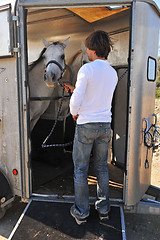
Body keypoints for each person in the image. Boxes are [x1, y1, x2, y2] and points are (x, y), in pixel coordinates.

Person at [64, 30, 118, 225]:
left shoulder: (86, 69)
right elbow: (97, 94)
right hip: (105, 125)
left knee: (80, 169)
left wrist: (74, 113)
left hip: (86, 125)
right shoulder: (112, 72)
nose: (86, 51)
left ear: (93, 49)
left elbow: (77, 100)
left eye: (87, 47)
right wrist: (75, 89)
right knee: (102, 168)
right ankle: (103, 210)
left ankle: (81, 212)